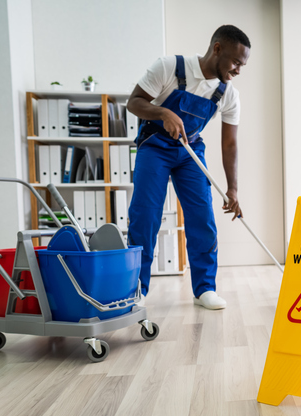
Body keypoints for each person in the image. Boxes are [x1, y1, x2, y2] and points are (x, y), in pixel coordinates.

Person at [126, 25, 251, 310]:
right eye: (235, 62)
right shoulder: (169, 67)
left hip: (190, 150)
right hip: (155, 146)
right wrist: (162, 112)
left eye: (243, 65)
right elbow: (133, 102)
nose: (238, 70)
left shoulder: (228, 94)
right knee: (145, 216)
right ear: (217, 49)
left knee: (202, 218)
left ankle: (205, 288)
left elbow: (230, 144)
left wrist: (232, 189)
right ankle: (136, 289)